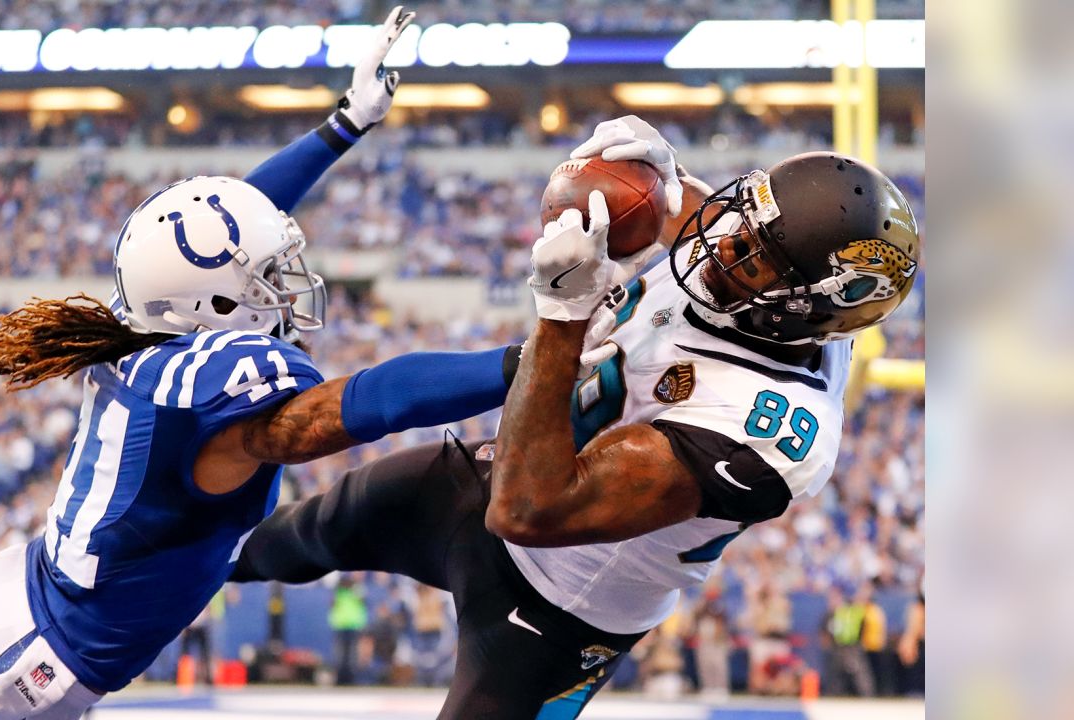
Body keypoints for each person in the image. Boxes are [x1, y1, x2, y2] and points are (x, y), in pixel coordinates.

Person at [231, 115, 921, 718]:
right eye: (738, 225)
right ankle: (137, 580)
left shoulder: (769, 427)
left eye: (751, 260)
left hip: (560, 609)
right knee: (285, 537)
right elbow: (702, 214)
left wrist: (561, 316)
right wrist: (662, 173)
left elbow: (530, 511)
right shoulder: (761, 271)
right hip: (487, 474)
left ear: (803, 307)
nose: (719, 251)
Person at [0, 9, 521, 719]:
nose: (284, 286)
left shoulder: (151, 321)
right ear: (214, 305)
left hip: (15, 608)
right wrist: (526, 360)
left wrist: (345, 124)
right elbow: (374, 400)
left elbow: (223, 228)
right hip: (24, 672)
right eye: (268, 277)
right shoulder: (204, 387)